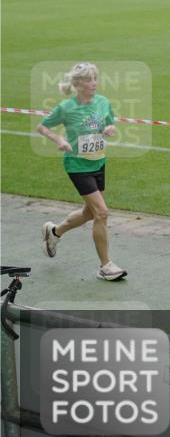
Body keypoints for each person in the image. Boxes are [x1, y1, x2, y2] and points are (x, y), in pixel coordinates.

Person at [38, 62, 127, 281]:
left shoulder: (103, 102)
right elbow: (43, 126)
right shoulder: (66, 107)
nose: (94, 83)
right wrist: (59, 139)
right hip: (77, 166)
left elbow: (110, 124)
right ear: (77, 84)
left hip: (98, 163)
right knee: (102, 213)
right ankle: (106, 266)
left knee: (89, 213)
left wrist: (110, 129)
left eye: (95, 78)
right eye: (88, 79)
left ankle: (55, 232)